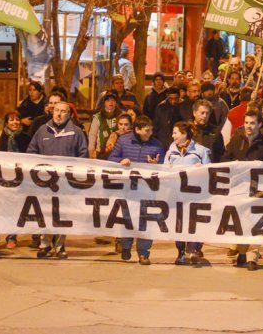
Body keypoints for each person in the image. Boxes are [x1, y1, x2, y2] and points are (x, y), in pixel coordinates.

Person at [27, 102, 88, 259]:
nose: (59, 114)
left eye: (63, 111)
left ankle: (60, 246)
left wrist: (76, 174)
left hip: (66, 183)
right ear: (52, 111)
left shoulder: (76, 132)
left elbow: (83, 155)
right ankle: (45, 244)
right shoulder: (42, 130)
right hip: (45, 182)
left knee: (63, 214)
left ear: (69, 114)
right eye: (56, 110)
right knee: (46, 212)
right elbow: (31, 152)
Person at [223, 110, 263, 270]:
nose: (248, 126)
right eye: (246, 123)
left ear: (260, 125)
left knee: (255, 224)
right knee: (242, 222)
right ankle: (242, 253)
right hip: (240, 189)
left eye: (252, 123)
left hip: (259, 191)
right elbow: (225, 159)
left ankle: (252, 257)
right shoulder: (236, 140)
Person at [108, 116, 166, 264]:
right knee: (127, 219)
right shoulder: (123, 141)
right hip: (127, 189)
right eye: (147, 130)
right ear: (137, 130)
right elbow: (111, 158)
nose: (150, 133)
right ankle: (126, 246)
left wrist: (156, 164)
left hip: (147, 190)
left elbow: (164, 165)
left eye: (151, 130)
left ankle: (143, 253)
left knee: (145, 221)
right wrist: (120, 161)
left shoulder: (157, 144)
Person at [164, 121, 212, 265]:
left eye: (175, 133)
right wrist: (166, 168)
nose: (172, 136)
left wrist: (203, 168)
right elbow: (163, 169)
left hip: (195, 194)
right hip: (177, 194)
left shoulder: (201, 151)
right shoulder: (170, 151)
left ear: (184, 134)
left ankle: (194, 249)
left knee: (194, 221)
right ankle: (181, 252)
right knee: (179, 223)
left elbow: (210, 171)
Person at [0, 111, 32, 250]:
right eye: (11, 120)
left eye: (17, 119)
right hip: (1, 176)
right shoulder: (0, 136)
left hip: (19, 177)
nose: (15, 122)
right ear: (6, 123)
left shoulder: (25, 137)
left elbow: (30, 155)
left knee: (14, 207)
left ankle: (12, 236)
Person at [88, 93, 121, 159]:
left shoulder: (121, 116)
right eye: (108, 100)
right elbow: (92, 135)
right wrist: (91, 150)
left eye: (113, 100)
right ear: (104, 103)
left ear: (116, 103)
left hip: (118, 152)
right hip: (101, 152)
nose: (110, 102)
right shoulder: (97, 117)